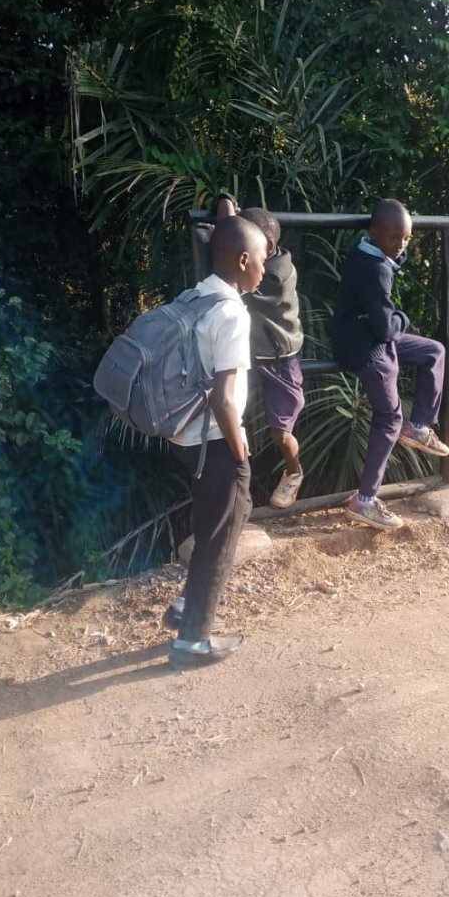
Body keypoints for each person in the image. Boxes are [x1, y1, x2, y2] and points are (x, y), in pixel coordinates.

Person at [164, 216, 268, 668]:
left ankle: (188, 607)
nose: (265, 268)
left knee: (223, 518)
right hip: (213, 438)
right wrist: (240, 449)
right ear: (244, 260)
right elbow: (226, 399)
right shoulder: (230, 313)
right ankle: (192, 642)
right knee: (219, 536)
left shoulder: (195, 297)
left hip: (184, 435)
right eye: (263, 259)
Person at [330, 198, 449, 531]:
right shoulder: (375, 268)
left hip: (373, 334)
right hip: (363, 344)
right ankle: (365, 501)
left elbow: (384, 315)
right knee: (389, 416)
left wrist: (397, 251)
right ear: (375, 231)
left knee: (434, 352)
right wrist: (403, 318)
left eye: (407, 238)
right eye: (395, 237)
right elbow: (386, 327)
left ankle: (420, 426)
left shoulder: (368, 251)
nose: (400, 245)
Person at [239, 207, 306, 508]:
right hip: (252, 356)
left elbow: (239, 290)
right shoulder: (260, 258)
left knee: (281, 429)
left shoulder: (275, 274)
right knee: (229, 413)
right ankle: (238, 484)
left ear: (264, 246)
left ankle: (294, 472)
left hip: (280, 359)